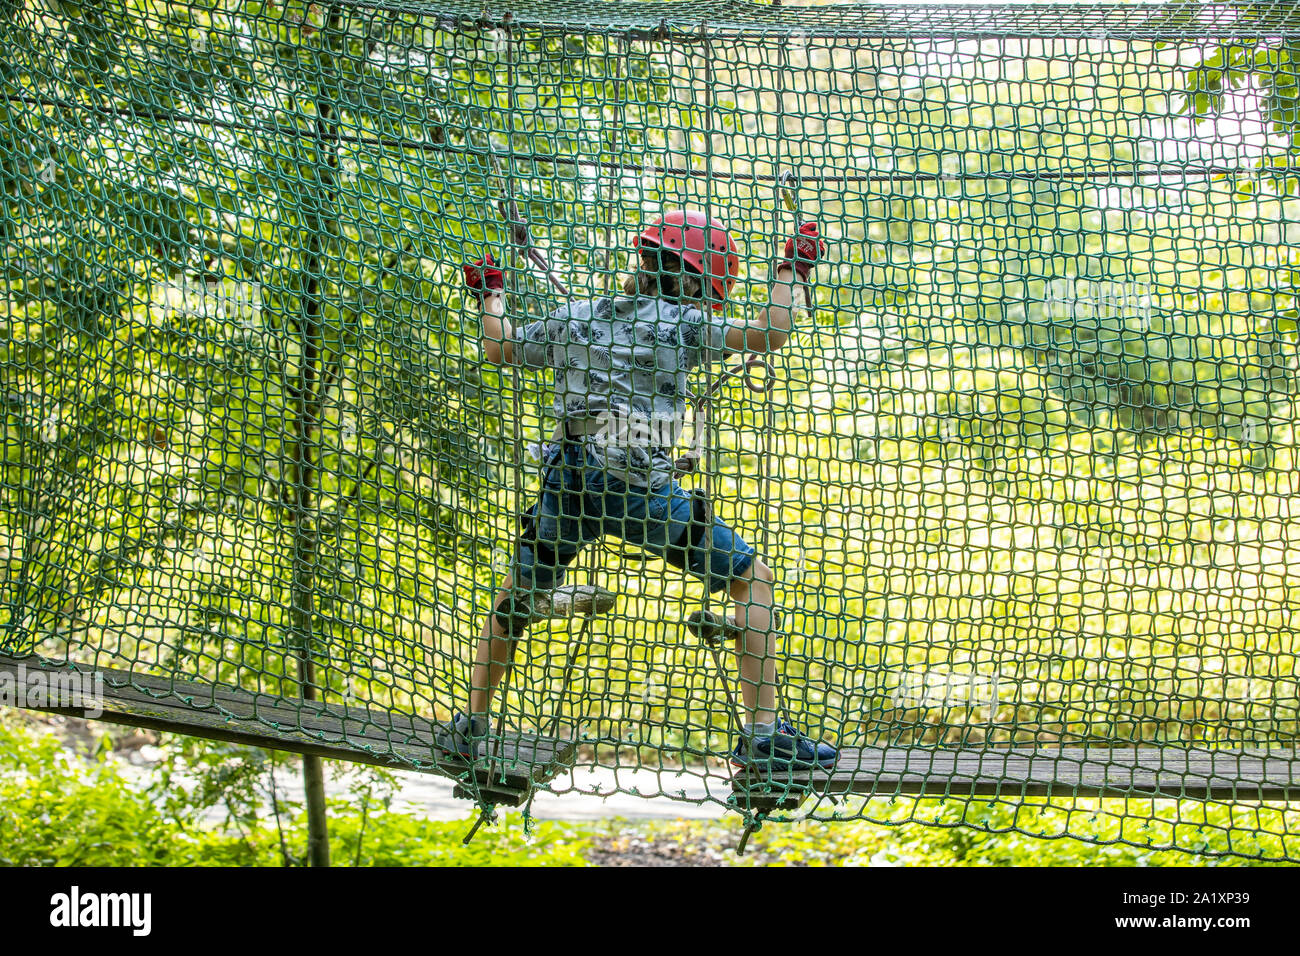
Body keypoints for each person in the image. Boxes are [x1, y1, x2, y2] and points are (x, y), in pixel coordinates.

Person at [437, 209, 837, 772]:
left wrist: (492, 293)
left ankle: (470, 725)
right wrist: (791, 269)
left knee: (518, 593)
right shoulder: (684, 325)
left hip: (567, 482)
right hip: (635, 489)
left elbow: (499, 348)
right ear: (694, 281)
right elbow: (771, 331)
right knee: (751, 580)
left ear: (645, 262)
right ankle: (765, 736)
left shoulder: (574, 315)